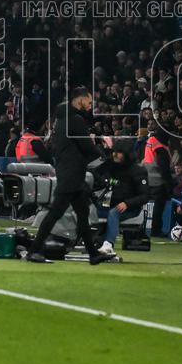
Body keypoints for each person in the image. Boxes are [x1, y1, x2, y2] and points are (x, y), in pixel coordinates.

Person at [26, 88, 116, 265]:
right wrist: (104, 150)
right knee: (56, 212)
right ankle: (33, 250)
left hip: (70, 172)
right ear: (79, 100)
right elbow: (87, 147)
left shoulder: (62, 119)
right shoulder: (75, 120)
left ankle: (93, 254)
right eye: (89, 102)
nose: (90, 106)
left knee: (82, 214)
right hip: (71, 174)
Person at [93, 138, 149, 256]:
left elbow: (145, 196)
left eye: (119, 152)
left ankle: (108, 245)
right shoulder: (111, 164)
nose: (115, 154)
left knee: (114, 212)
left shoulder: (138, 171)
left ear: (127, 154)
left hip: (130, 208)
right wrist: (105, 180)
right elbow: (95, 172)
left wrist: (127, 203)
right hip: (110, 203)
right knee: (88, 209)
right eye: (114, 151)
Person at [142, 124, 174, 237]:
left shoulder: (151, 141)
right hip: (158, 180)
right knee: (158, 206)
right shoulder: (160, 147)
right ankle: (156, 230)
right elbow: (164, 168)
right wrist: (169, 183)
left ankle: (141, 228)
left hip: (147, 177)